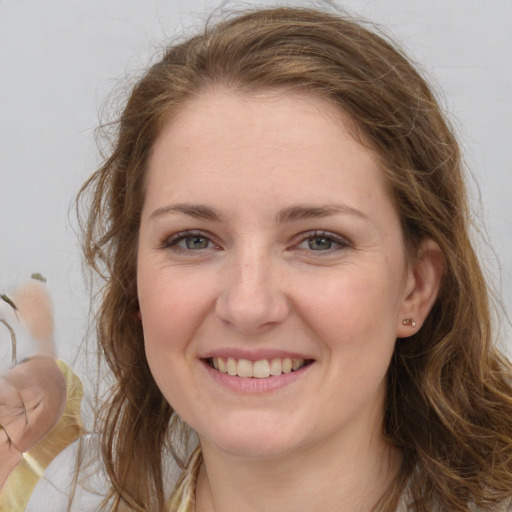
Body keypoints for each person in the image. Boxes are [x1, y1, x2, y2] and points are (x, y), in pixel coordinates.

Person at [21, 4, 512, 512]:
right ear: (134, 280)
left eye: (320, 241)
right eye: (193, 240)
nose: (248, 306)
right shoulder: (65, 495)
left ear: (416, 287)